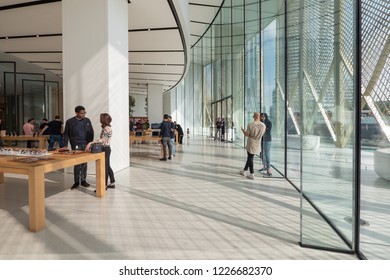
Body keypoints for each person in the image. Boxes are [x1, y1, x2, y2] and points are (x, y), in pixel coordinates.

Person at [62, 105, 94, 189]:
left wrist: (90, 143)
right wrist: (65, 145)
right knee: (77, 163)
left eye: (84, 113)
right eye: (82, 113)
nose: (83, 114)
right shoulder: (70, 121)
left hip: (85, 145)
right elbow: (66, 134)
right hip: (75, 144)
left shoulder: (87, 120)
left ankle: (83, 180)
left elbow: (91, 132)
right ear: (76, 113)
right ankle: (76, 181)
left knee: (84, 163)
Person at [86, 113, 115, 190]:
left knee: (104, 167)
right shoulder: (107, 127)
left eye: (101, 118)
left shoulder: (106, 128)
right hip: (107, 148)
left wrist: (91, 142)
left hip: (105, 148)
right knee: (107, 166)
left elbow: (103, 140)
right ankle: (112, 183)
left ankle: (103, 186)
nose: (99, 119)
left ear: (103, 119)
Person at [240, 112, 266, 180]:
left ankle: (252, 173)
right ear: (259, 117)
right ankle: (244, 171)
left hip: (251, 143)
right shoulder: (263, 125)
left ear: (253, 116)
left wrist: (243, 131)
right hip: (258, 143)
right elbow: (262, 135)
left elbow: (247, 135)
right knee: (250, 157)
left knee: (250, 158)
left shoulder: (250, 124)